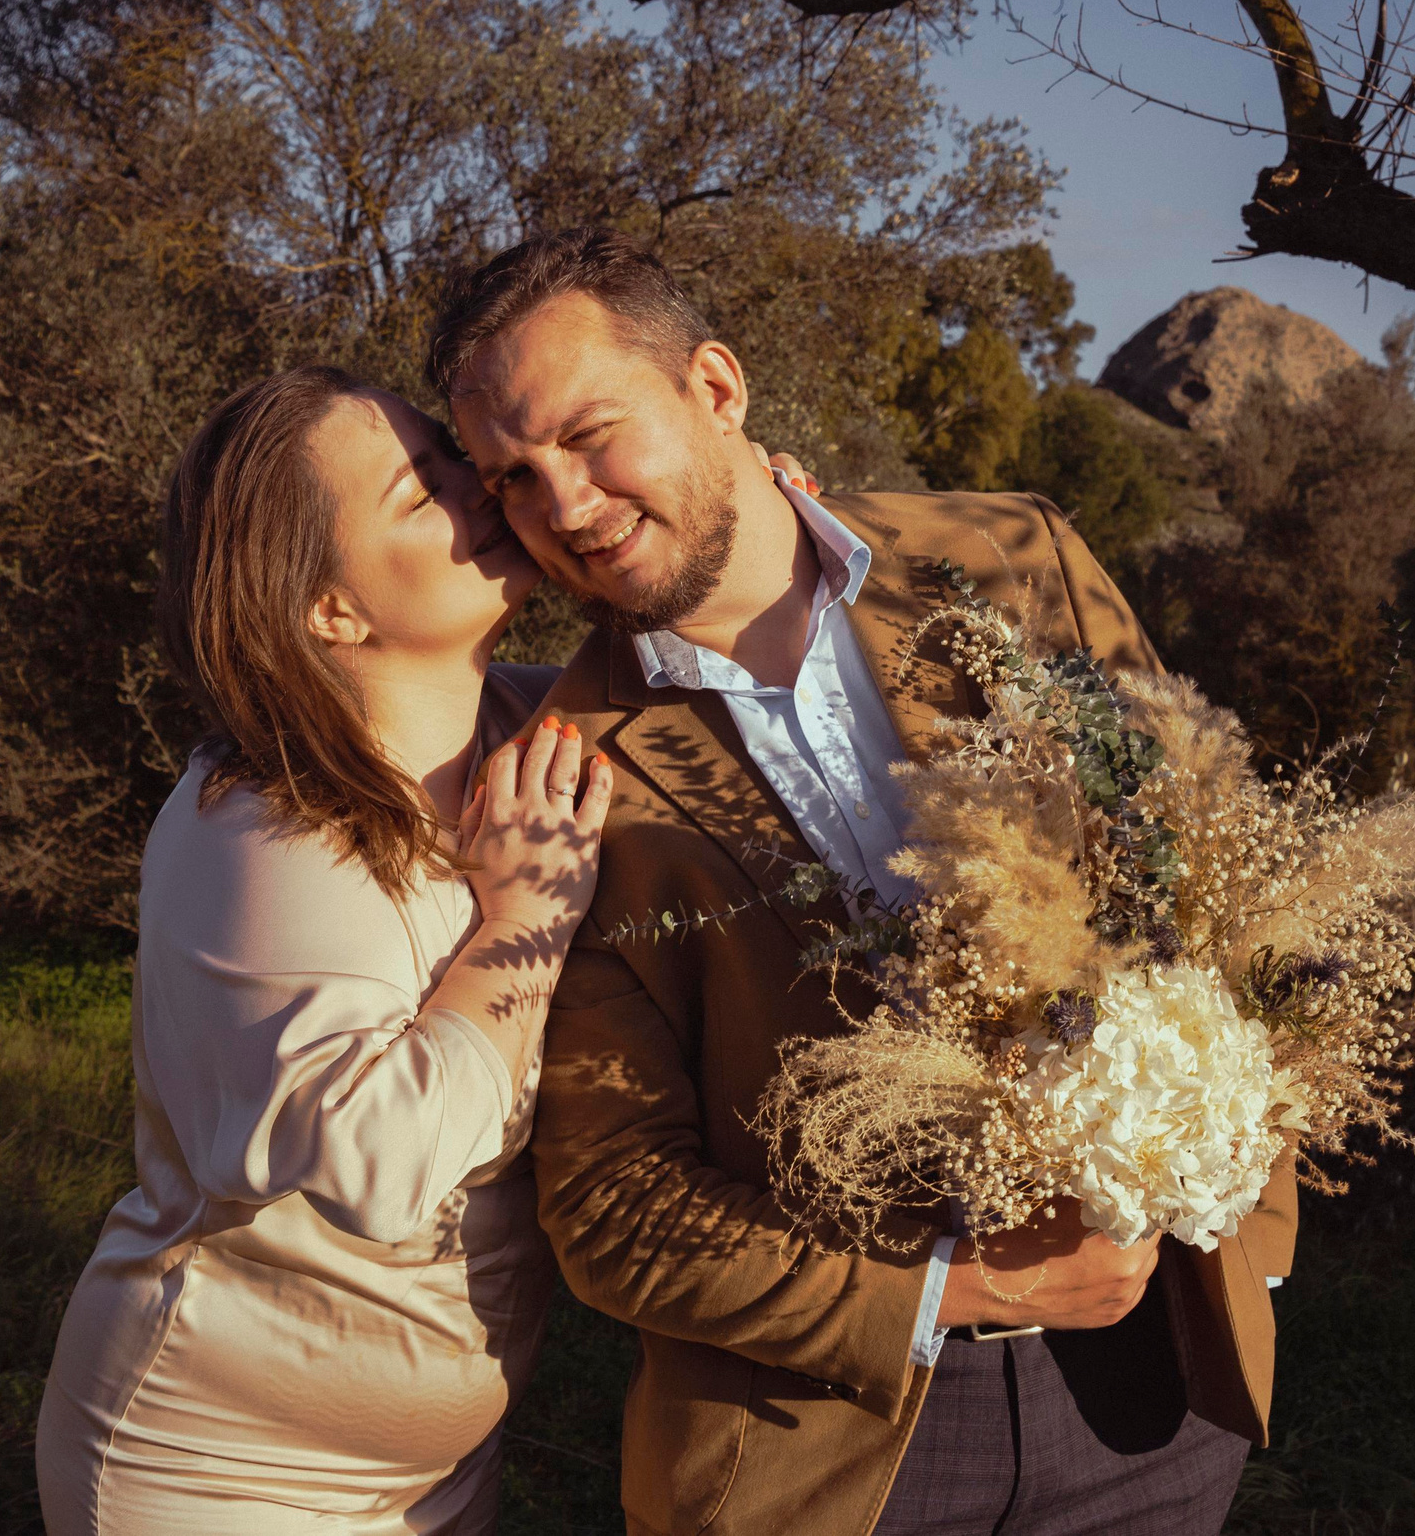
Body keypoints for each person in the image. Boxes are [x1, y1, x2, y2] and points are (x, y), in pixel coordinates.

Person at [435, 228, 1300, 1536]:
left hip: (1154, 1390)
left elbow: (1205, 876)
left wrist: (1256, 1218)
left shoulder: (1017, 555)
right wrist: (956, 1286)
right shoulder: (568, 777)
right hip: (835, 1450)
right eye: (511, 478)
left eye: (589, 434)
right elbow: (612, 1204)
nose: (561, 503)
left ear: (716, 389)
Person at [33, 364, 612, 1535]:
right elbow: (376, 1158)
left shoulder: (530, 730)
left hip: (436, 1477)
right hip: (220, 1480)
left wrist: (752, 519)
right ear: (329, 609)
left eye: (457, 461)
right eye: (422, 492)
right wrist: (520, 924)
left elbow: (719, 701)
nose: (481, 491)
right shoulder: (260, 824)